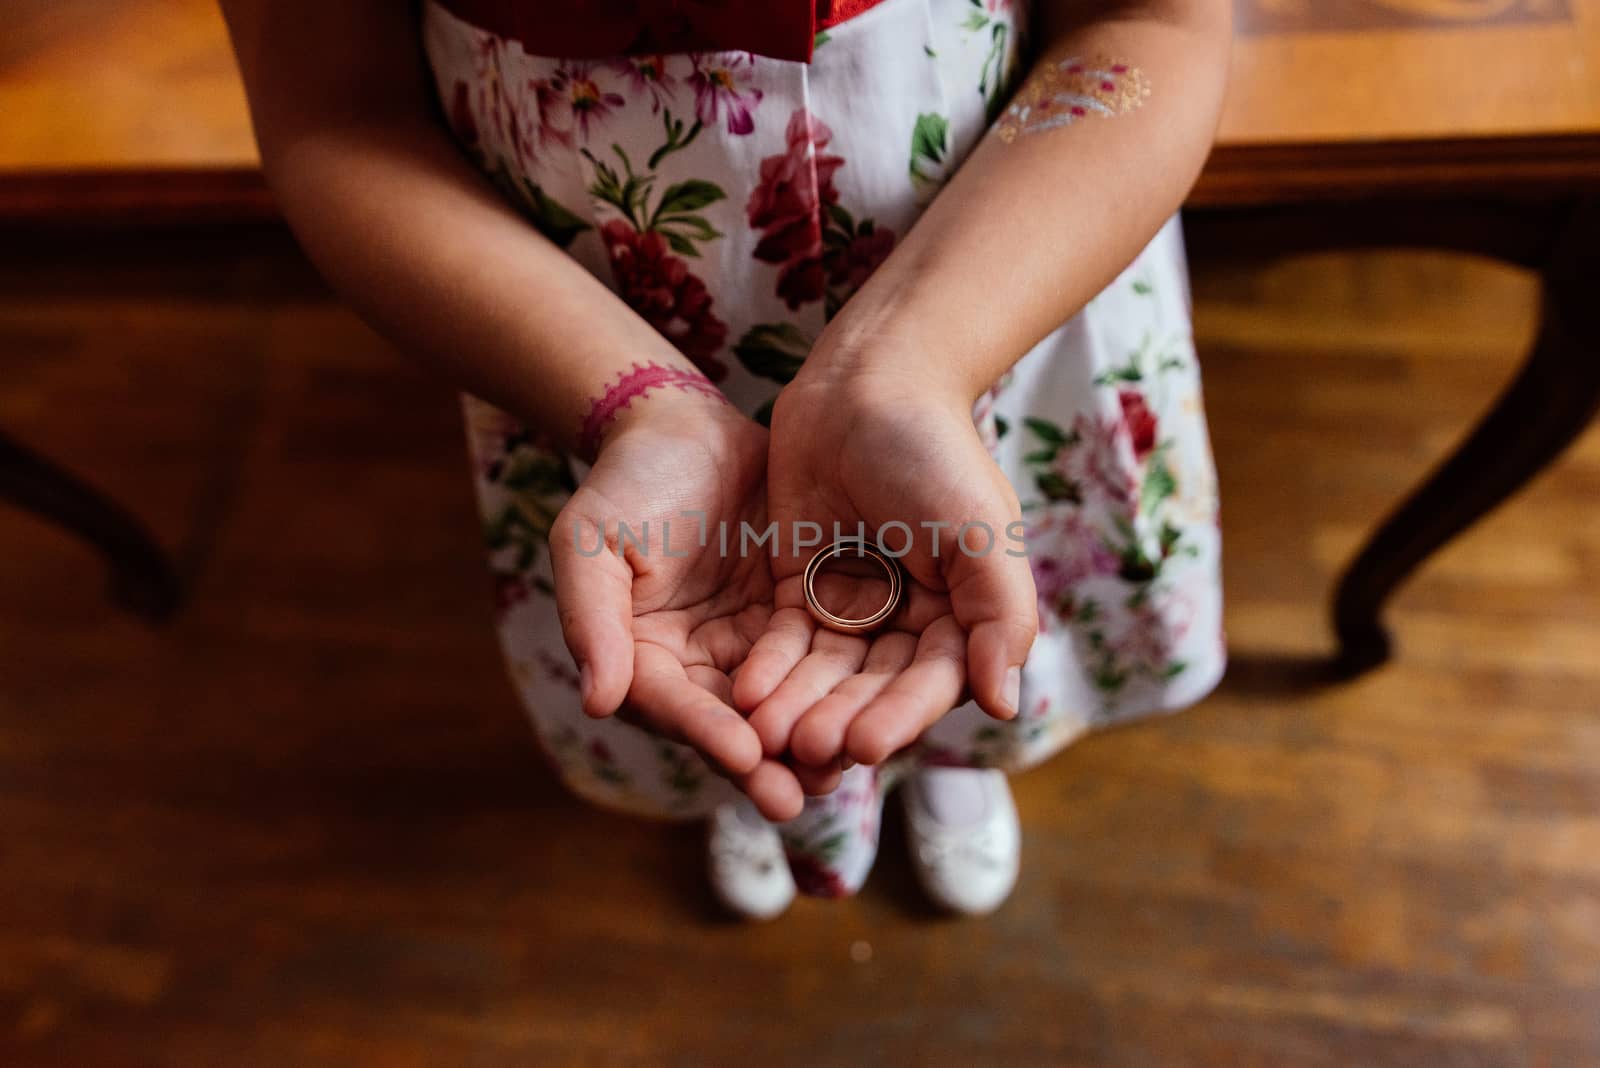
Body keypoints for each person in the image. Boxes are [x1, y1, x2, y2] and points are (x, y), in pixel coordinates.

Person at [222, 0, 1232, 918]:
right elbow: (337, 108)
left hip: (1008, 236)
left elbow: (1150, 23)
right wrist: (640, 411)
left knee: (956, 580)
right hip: (560, 299)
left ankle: (945, 751)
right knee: (703, 638)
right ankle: (757, 767)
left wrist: (914, 368)